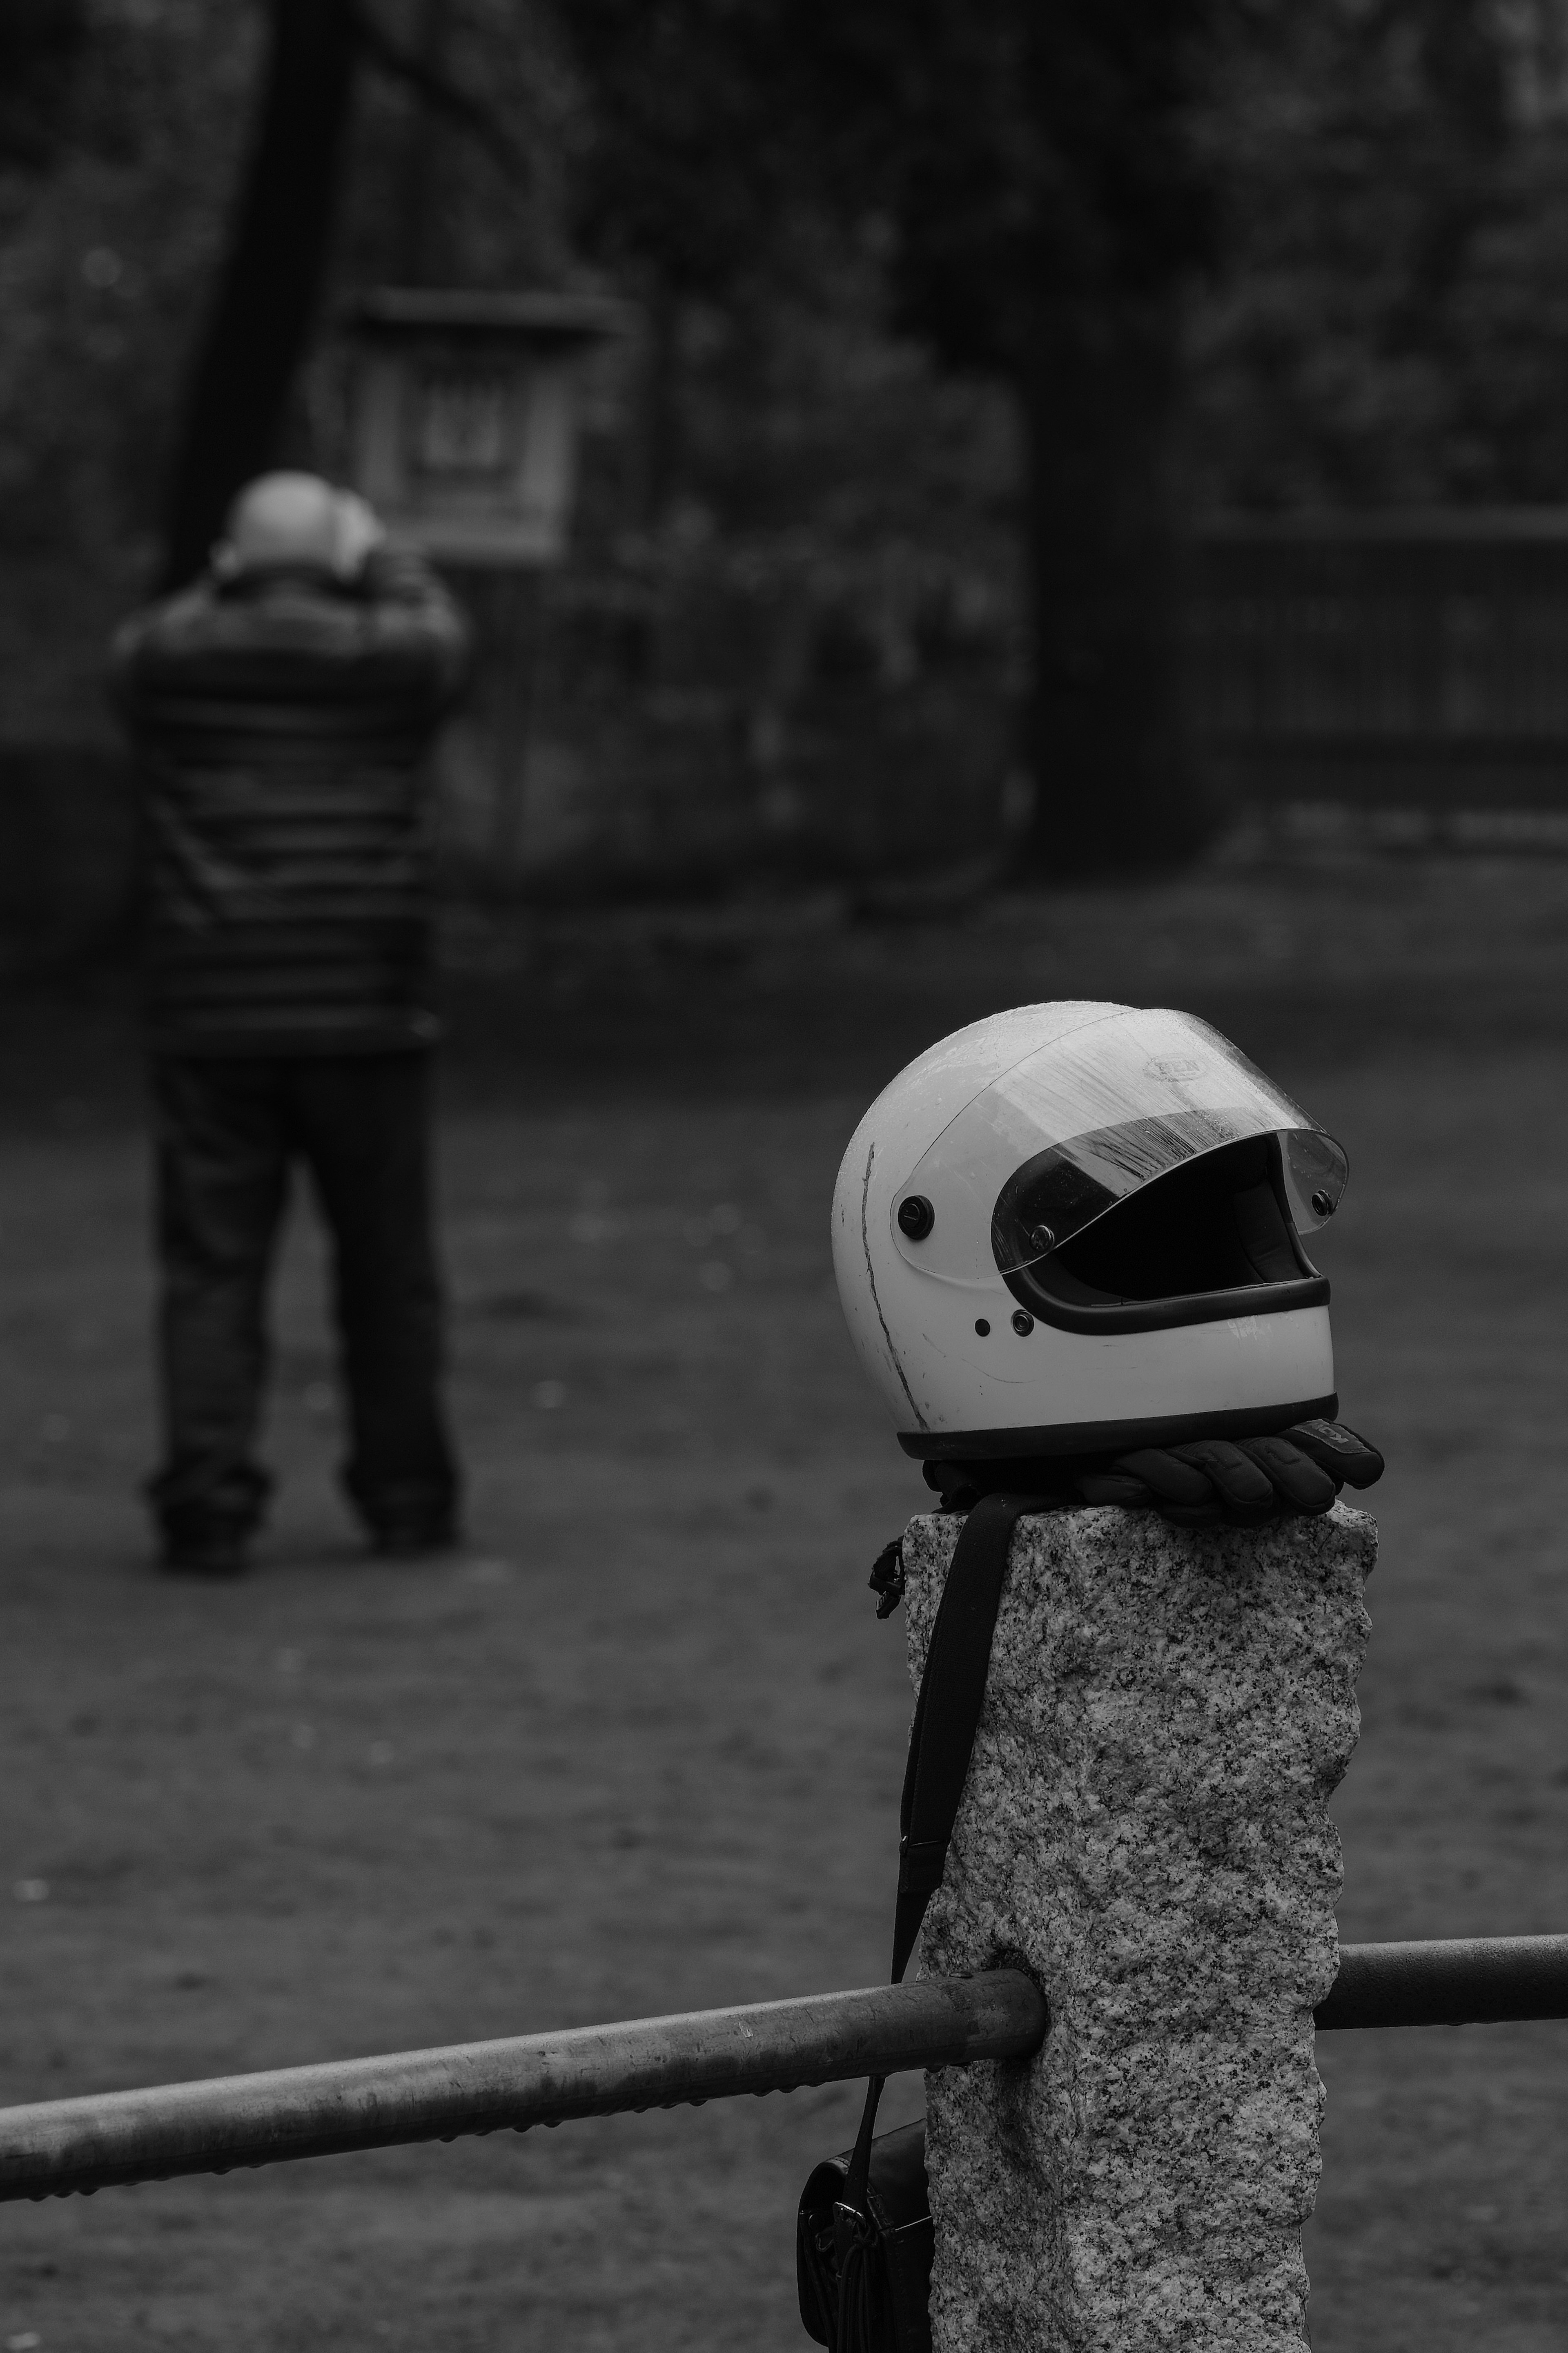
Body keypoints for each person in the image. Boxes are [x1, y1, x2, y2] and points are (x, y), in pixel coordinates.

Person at [111, 471, 471, 1575]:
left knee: (214, 1266)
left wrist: (228, 576)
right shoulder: (392, 659)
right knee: (386, 1268)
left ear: (230, 563)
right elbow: (444, 632)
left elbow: (140, 638)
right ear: (340, 559)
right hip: (366, 1007)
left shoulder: (164, 662)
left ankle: (208, 1505)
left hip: (213, 1017)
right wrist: (381, 553)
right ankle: (406, 1498)